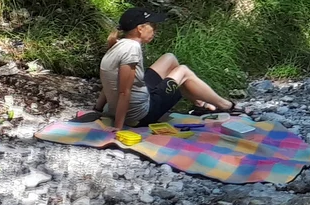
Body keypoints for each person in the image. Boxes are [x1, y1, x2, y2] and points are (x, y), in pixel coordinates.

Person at [97, 8, 236, 129]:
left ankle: (200, 104)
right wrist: (118, 127)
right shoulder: (131, 49)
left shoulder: (118, 44)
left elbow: (110, 82)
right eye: (153, 26)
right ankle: (226, 106)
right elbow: (124, 91)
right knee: (183, 71)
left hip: (127, 106)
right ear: (140, 28)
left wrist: (97, 109)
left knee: (169, 58)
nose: (155, 31)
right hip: (141, 114)